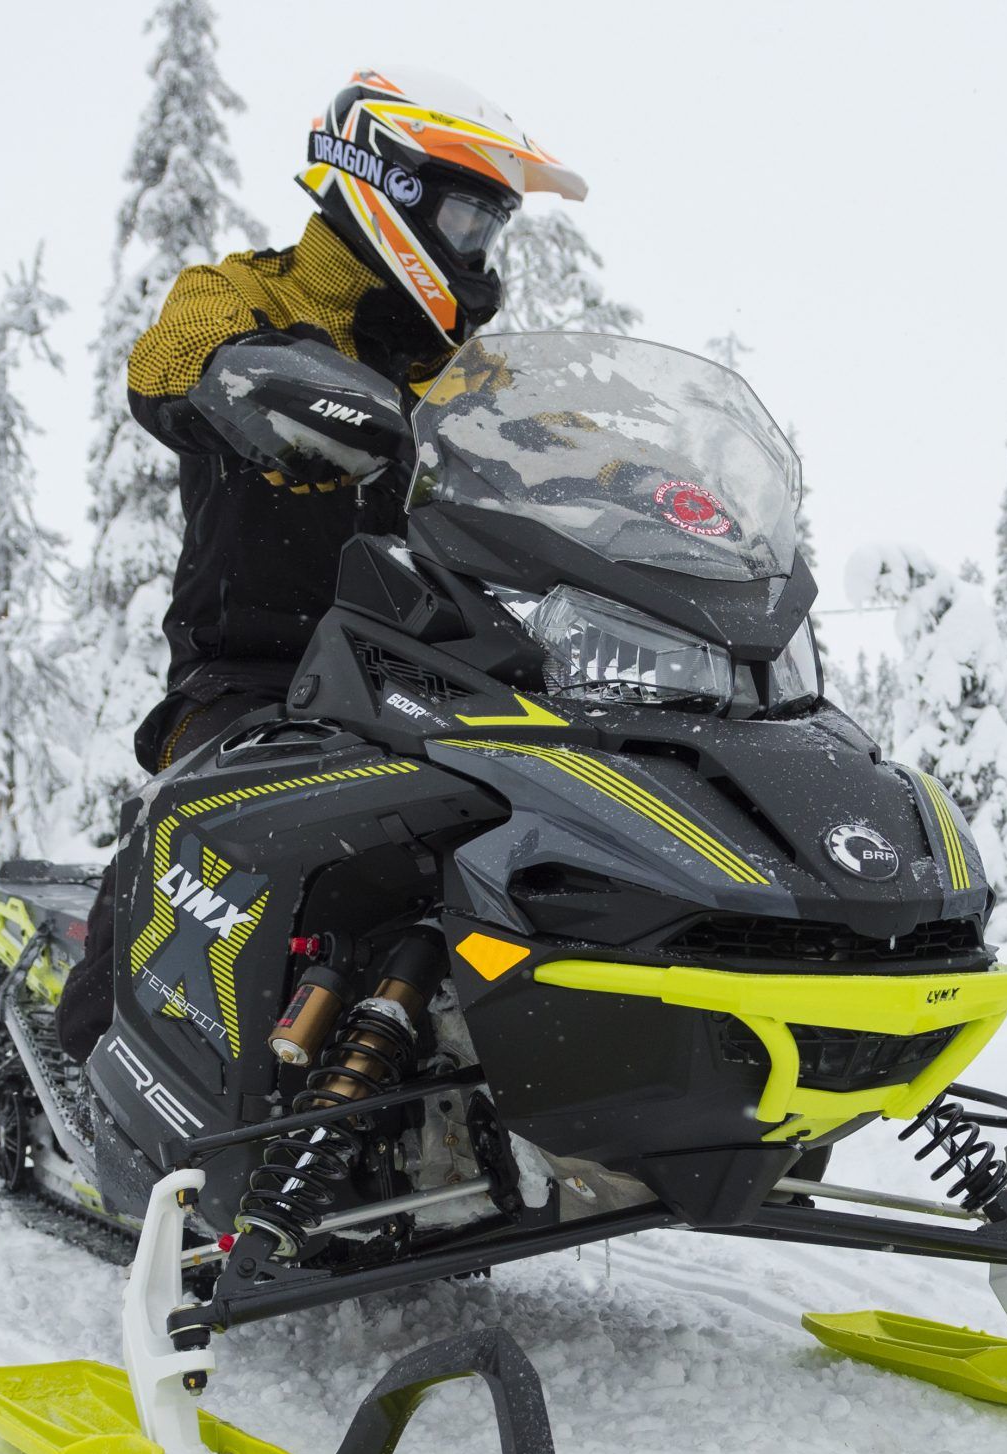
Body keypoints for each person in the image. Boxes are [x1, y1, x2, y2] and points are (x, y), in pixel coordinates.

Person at [57, 66, 586, 1062]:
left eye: (491, 229)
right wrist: (238, 379)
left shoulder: (466, 379)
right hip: (257, 677)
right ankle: (98, 1063)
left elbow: (561, 462)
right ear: (388, 189)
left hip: (439, 686)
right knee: (193, 832)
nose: (479, 250)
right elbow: (169, 356)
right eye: (468, 219)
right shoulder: (243, 294)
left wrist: (637, 495)